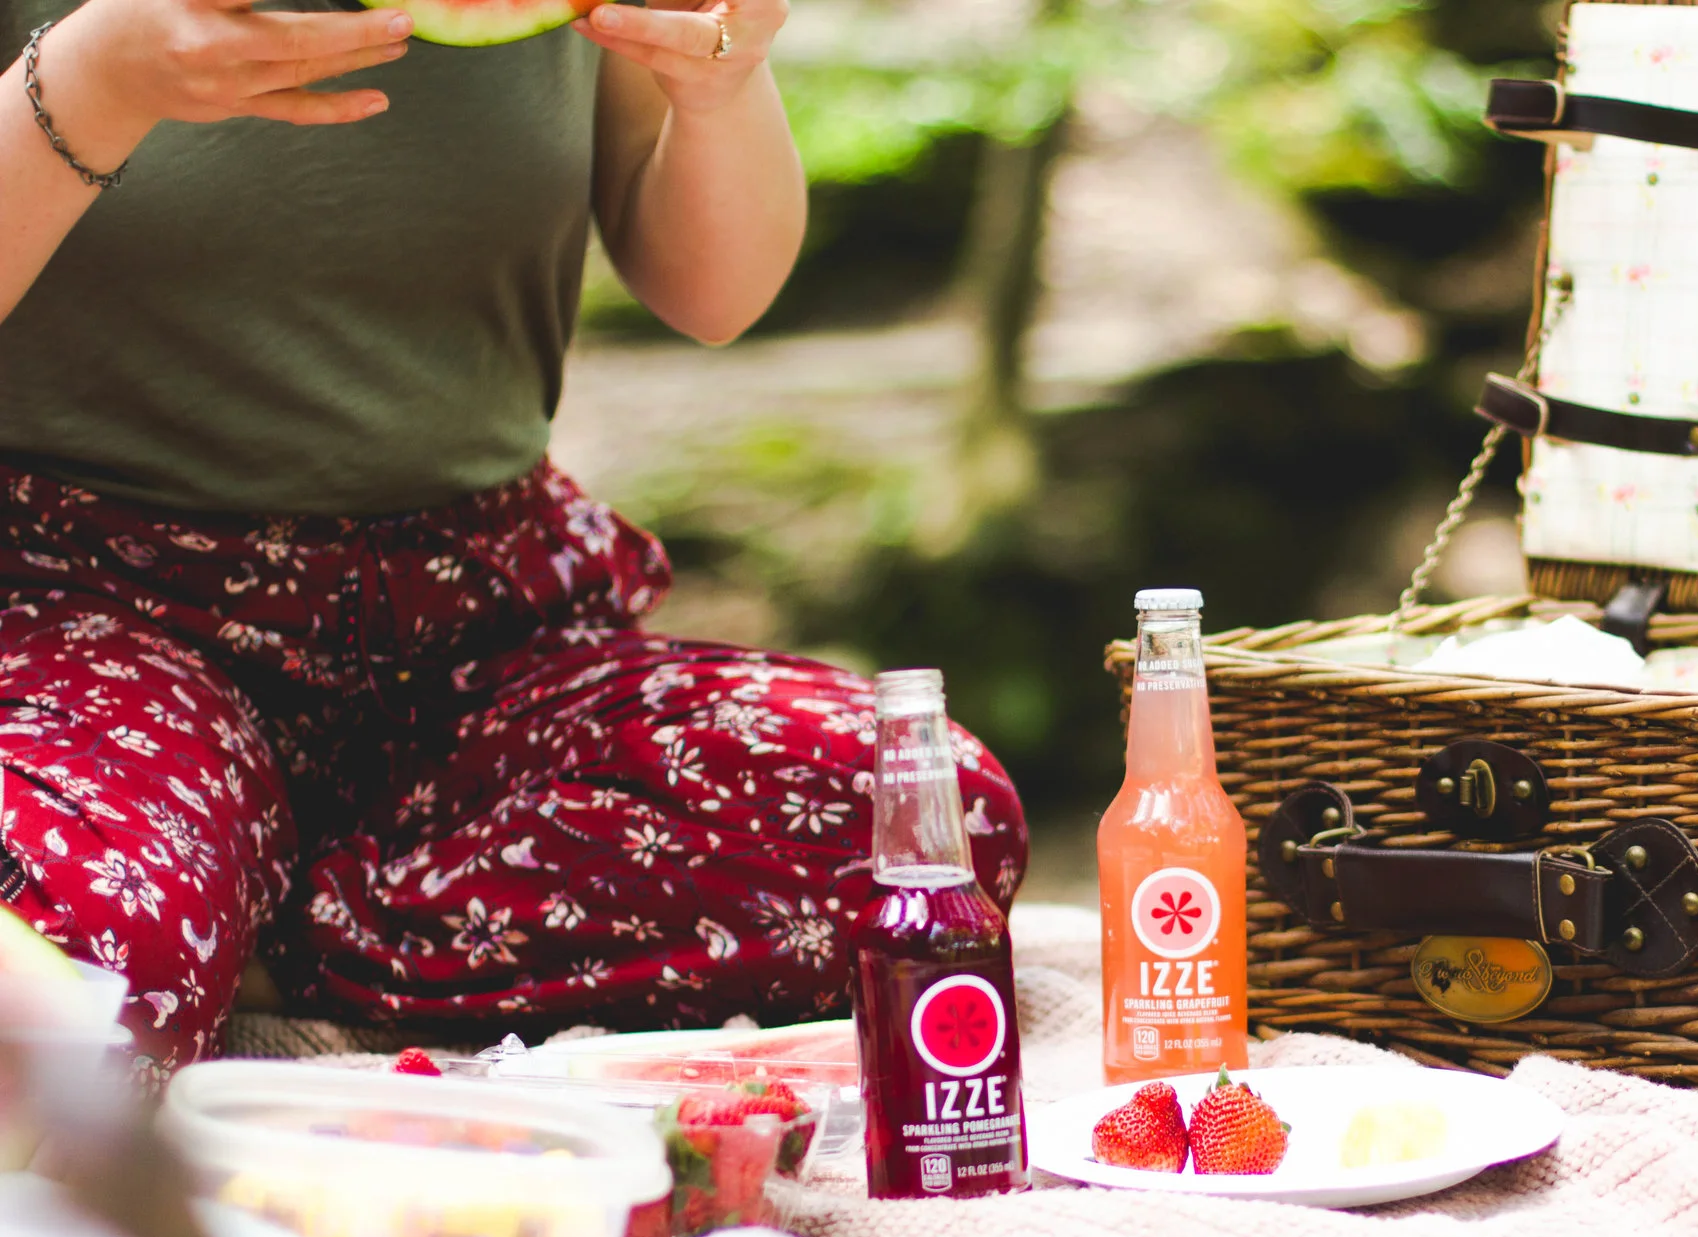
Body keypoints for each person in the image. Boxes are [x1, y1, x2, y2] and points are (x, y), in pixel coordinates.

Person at [0, 0, 1028, 1070]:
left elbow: (716, 293)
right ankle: (212, 895)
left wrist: (722, 80)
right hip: (92, 624)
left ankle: (241, 923)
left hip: (478, 632)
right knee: (45, 974)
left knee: (924, 829)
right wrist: (91, 83)